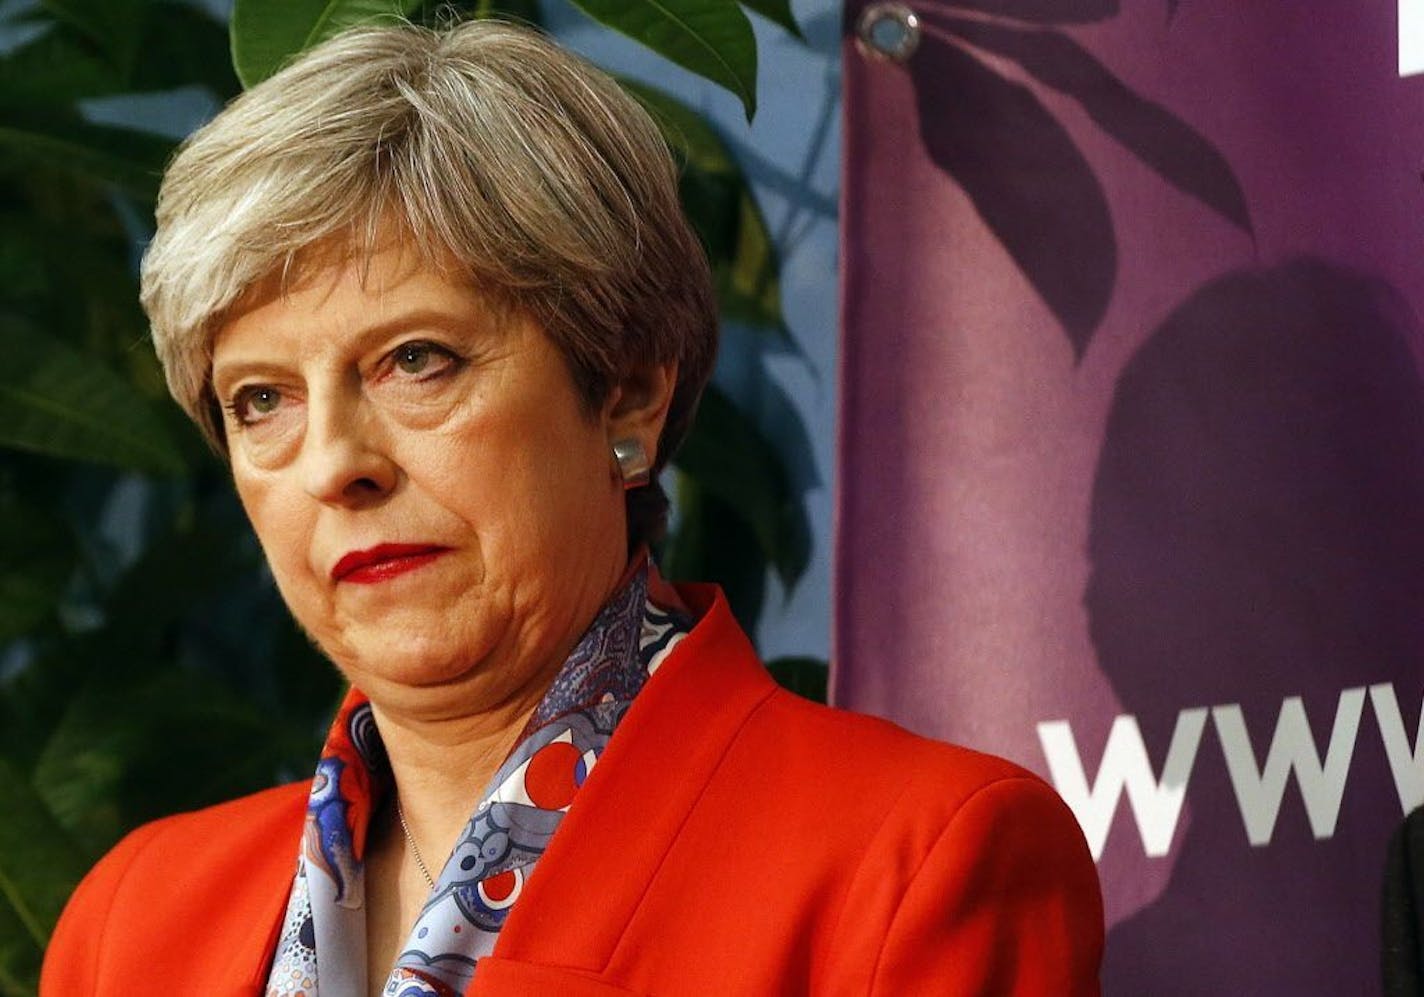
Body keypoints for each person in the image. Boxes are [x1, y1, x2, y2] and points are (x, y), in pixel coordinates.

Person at [39, 19, 1102, 996]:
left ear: (628, 391)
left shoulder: (913, 862)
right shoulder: (131, 922)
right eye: (259, 399)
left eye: (418, 361)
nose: (335, 465)